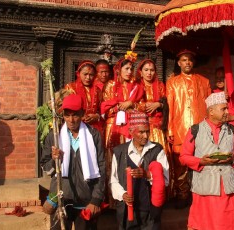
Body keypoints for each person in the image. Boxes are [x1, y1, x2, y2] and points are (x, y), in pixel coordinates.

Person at [180, 92, 234, 230]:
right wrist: (201, 161)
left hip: (229, 189)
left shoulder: (232, 129)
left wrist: (233, 158)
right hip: (205, 190)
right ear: (211, 111)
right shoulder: (195, 130)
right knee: (206, 225)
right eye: (223, 109)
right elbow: (183, 157)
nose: (227, 112)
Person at [40, 94, 106, 230]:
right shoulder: (54, 137)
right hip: (61, 197)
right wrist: (54, 160)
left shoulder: (93, 135)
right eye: (67, 115)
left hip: (86, 199)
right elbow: (47, 169)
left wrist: (96, 199)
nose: (71, 120)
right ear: (62, 115)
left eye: (75, 115)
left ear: (82, 114)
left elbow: (102, 168)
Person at [166, 49, 211, 208]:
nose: (187, 63)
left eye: (190, 60)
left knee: (202, 160)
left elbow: (209, 107)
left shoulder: (204, 81)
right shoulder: (172, 82)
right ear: (179, 63)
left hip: (201, 128)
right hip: (180, 126)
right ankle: (182, 194)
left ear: (194, 62)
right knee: (181, 163)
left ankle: (202, 194)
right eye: (184, 60)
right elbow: (170, 107)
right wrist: (170, 129)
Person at [110, 111, 169, 229]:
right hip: (128, 212)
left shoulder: (157, 150)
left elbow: (166, 180)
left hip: (150, 212)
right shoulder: (119, 152)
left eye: (147, 131)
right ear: (131, 131)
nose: (146, 136)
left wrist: (147, 174)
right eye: (141, 132)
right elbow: (113, 180)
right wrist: (123, 194)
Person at [101, 56, 144, 208]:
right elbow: (105, 110)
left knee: (131, 159)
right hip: (114, 128)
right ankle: (114, 200)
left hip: (132, 127)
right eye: (126, 68)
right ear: (119, 70)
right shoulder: (110, 85)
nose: (129, 71)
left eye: (131, 69)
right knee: (113, 160)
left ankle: (132, 195)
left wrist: (132, 104)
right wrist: (120, 106)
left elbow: (141, 107)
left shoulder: (137, 86)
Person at [65, 60, 104, 135]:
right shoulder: (70, 88)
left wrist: (96, 116)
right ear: (78, 74)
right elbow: (66, 110)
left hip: (94, 128)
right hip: (76, 127)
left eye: (91, 75)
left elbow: (100, 109)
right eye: (85, 74)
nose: (88, 78)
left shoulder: (98, 90)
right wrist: (79, 117)